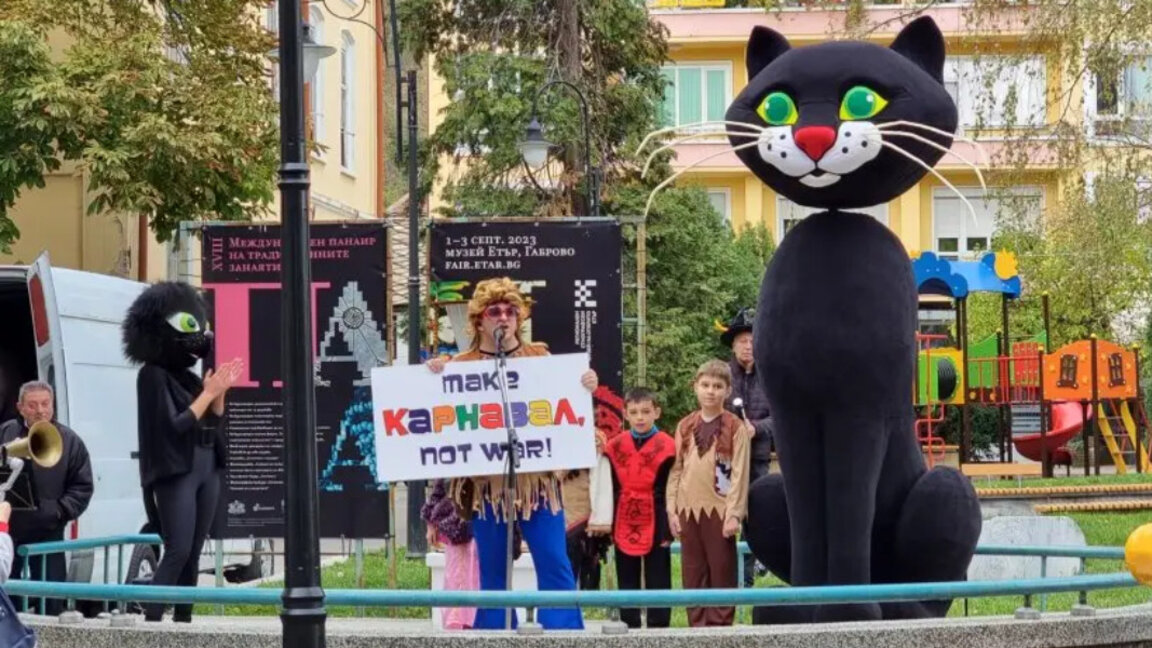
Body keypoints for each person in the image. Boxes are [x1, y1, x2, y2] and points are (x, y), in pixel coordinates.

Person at [427, 277, 597, 630]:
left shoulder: (541, 357)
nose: (503, 318)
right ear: (479, 320)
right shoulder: (462, 363)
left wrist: (584, 385)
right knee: (492, 569)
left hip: (538, 487)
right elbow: (439, 418)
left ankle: (564, 634)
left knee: (554, 562)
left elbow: (564, 410)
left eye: (511, 311)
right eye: (495, 311)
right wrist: (435, 374)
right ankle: (496, 634)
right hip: (489, 488)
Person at [122, 281, 243, 623]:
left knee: (193, 552)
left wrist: (218, 393)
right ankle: (154, 621)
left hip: (206, 466)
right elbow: (174, 425)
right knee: (177, 548)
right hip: (177, 472)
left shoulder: (187, 378)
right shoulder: (152, 376)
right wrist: (209, 394)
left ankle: (183, 622)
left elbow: (210, 423)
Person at [666, 360, 751, 627]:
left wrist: (734, 513)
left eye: (717, 386)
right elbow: (676, 469)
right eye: (705, 385)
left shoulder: (736, 427)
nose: (710, 391)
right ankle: (697, 630)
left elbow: (740, 473)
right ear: (695, 387)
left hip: (720, 509)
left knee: (721, 571)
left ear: (727, 390)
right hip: (688, 508)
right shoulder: (685, 425)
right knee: (692, 573)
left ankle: (720, 631)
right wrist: (672, 509)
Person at [0, 381, 93, 616]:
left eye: (45, 404)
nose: (40, 411)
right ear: (20, 407)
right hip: (9, 530)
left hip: (48, 531)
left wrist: (58, 511)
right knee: (7, 596)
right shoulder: (6, 432)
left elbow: (82, 487)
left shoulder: (70, 441)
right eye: (32, 405)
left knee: (51, 597)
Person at [603, 387, 675, 629]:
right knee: (627, 575)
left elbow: (671, 487)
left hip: (657, 513)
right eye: (634, 412)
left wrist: (669, 522)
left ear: (657, 412)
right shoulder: (614, 446)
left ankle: (659, 629)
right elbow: (609, 485)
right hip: (624, 513)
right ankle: (629, 625)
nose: (640, 417)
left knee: (659, 575)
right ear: (625, 414)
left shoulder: (669, 446)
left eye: (646, 411)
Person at [718, 307, 773, 587]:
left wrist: (757, 428)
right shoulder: (723, 374)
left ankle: (748, 578)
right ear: (734, 344)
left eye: (753, 341)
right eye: (742, 341)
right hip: (724, 458)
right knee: (724, 513)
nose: (748, 347)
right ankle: (723, 577)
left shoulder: (772, 374)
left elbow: (782, 417)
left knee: (756, 516)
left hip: (758, 457)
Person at [422, 479, 481, 630]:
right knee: (458, 580)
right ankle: (458, 628)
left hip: (482, 522)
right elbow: (439, 487)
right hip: (459, 530)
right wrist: (431, 522)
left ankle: (468, 624)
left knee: (475, 580)